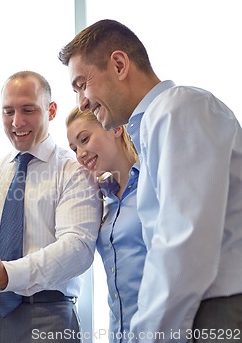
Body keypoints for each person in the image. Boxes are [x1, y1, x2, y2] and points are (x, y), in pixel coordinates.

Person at [59, 19, 242, 342]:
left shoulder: (179, 109)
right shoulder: (155, 125)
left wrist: (147, 335)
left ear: (119, 64)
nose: (82, 102)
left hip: (216, 310)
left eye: (82, 85)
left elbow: (184, 245)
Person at [0, 70, 101, 342]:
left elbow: (78, 247)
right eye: (8, 112)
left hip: (47, 316)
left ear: (51, 111)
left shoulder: (74, 171)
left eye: (28, 110)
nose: (17, 122)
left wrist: (6, 275)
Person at [66, 107, 146, 341]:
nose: (80, 153)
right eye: (74, 149)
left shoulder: (153, 184)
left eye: (84, 139)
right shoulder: (103, 200)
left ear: (116, 129)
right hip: (120, 333)